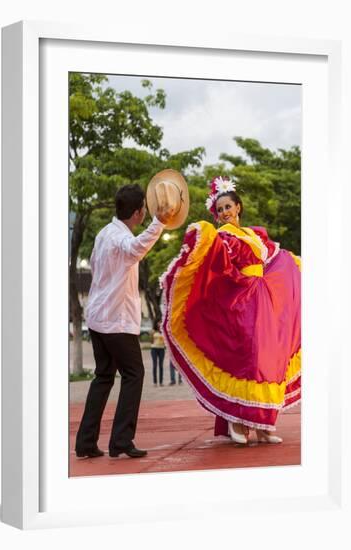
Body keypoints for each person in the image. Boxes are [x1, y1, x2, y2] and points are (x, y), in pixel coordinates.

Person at [160, 176, 301, 445]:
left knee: (267, 360)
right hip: (241, 299)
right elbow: (220, 263)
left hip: (264, 299)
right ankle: (237, 422)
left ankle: (263, 425)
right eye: (220, 209)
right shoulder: (223, 236)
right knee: (246, 359)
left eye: (228, 207)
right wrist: (203, 233)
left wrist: (293, 267)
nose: (224, 212)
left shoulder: (254, 234)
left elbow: (274, 258)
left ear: (238, 207)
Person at [75, 180, 179, 459]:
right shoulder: (120, 238)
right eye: (145, 208)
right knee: (134, 374)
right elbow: (134, 248)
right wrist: (158, 223)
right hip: (115, 321)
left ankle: (86, 442)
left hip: (98, 318)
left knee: (103, 377)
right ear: (138, 213)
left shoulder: (104, 233)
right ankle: (121, 440)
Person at [150, 321, 166, 386]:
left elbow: (166, 341)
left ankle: (161, 382)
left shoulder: (163, 331)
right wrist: (151, 334)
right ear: (156, 324)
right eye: (158, 322)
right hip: (154, 349)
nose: (159, 323)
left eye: (160, 322)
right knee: (154, 365)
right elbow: (151, 341)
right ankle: (155, 382)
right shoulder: (153, 331)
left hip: (162, 349)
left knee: (161, 366)